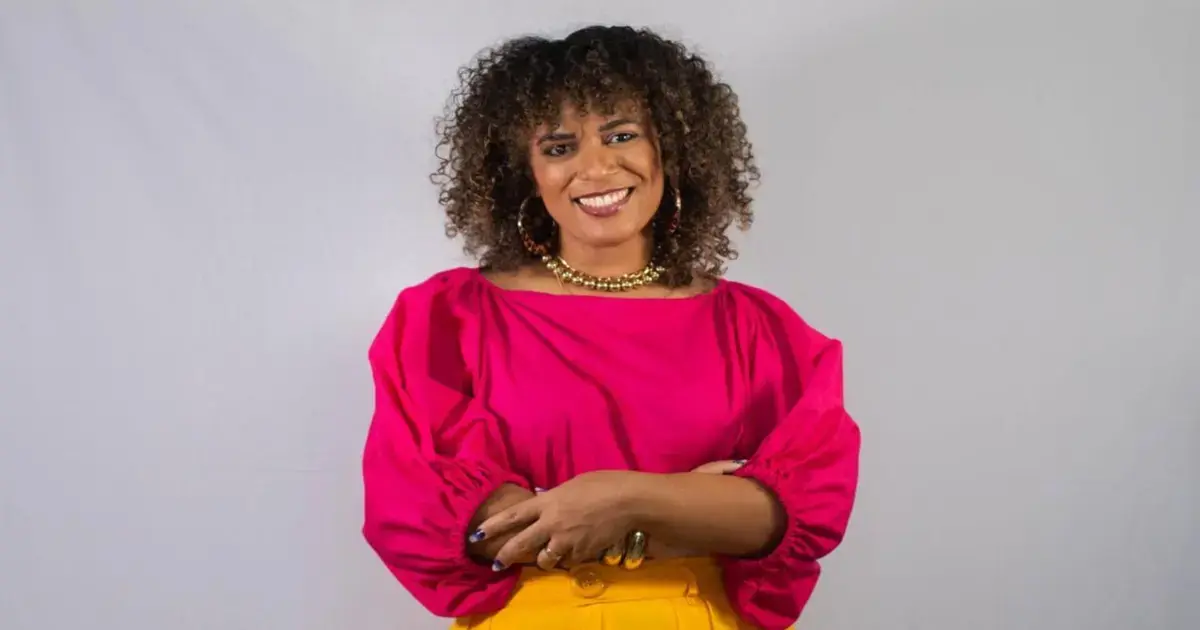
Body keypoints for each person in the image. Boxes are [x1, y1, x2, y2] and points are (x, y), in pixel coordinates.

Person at [361, 25, 861, 630]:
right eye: (559, 147)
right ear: (525, 170)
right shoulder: (446, 318)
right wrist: (692, 507)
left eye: (621, 135)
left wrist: (624, 500)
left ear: (671, 152)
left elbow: (802, 511)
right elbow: (425, 511)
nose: (595, 168)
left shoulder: (758, 328)